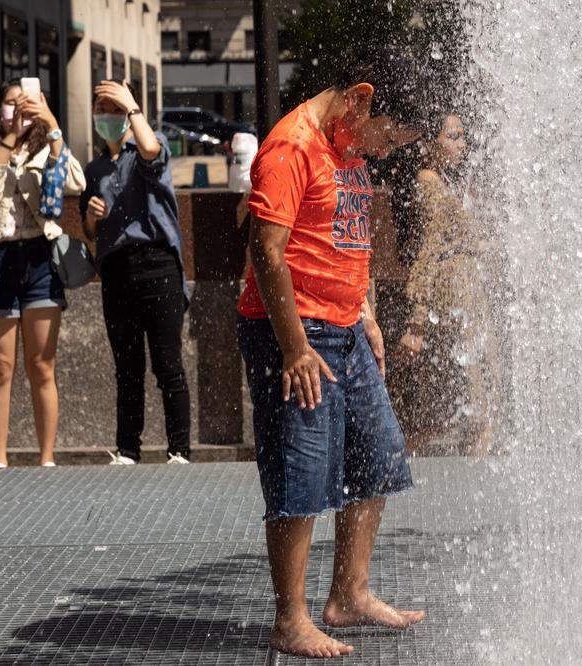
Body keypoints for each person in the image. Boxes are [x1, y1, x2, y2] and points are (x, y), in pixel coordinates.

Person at [236, 68, 425, 659]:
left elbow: (346, 240)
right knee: (303, 471)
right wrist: (294, 348)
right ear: (359, 100)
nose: (386, 151)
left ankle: (349, 593)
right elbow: (265, 250)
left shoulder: (347, 147)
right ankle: (289, 619)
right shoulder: (291, 147)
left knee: (380, 454)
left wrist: (365, 312)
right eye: (388, 138)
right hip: (291, 331)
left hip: (345, 325)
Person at [0, 79, 86, 468]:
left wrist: (52, 125)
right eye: (10, 104)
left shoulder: (49, 151)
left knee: (42, 365)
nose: (17, 110)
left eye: (25, 102)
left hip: (41, 261)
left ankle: (46, 458)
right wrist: (9, 141)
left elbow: (75, 182)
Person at [80, 80, 192, 466]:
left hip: (158, 263)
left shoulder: (147, 142)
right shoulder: (94, 168)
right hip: (115, 269)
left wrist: (132, 106)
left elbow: (150, 151)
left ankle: (179, 449)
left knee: (167, 363)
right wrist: (91, 219)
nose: (106, 117)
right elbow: (91, 232)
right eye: (101, 109)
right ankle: (128, 449)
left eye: (113, 109)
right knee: (127, 368)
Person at [389, 113, 497, 456]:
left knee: (474, 403)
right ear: (429, 143)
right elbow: (430, 249)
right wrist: (417, 323)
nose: (461, 144)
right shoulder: (429, 182)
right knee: (471, 403)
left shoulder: (444, 181)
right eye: (452, 136)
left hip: (465, 295)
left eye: (463, 136)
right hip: (453, 298)